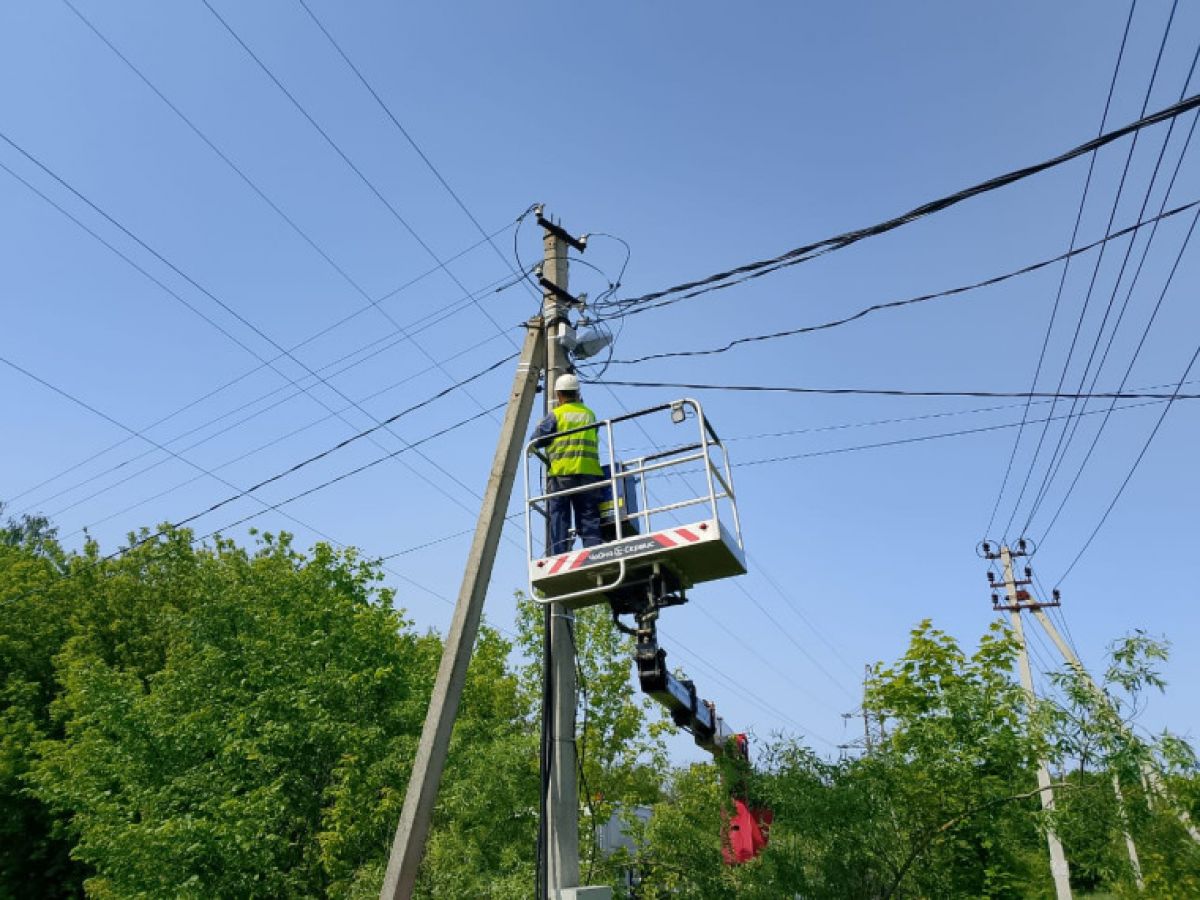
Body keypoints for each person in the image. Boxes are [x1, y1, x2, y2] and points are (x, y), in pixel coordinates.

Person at [532, 372, 604, 555]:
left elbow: (535, 441)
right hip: (589, 474)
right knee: (589, 518)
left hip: (561, 476)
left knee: (560, 518)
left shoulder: (556, 415)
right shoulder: (590, 415)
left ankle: (559, 556)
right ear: (577, 393)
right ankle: (594, 553)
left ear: (559, 395)